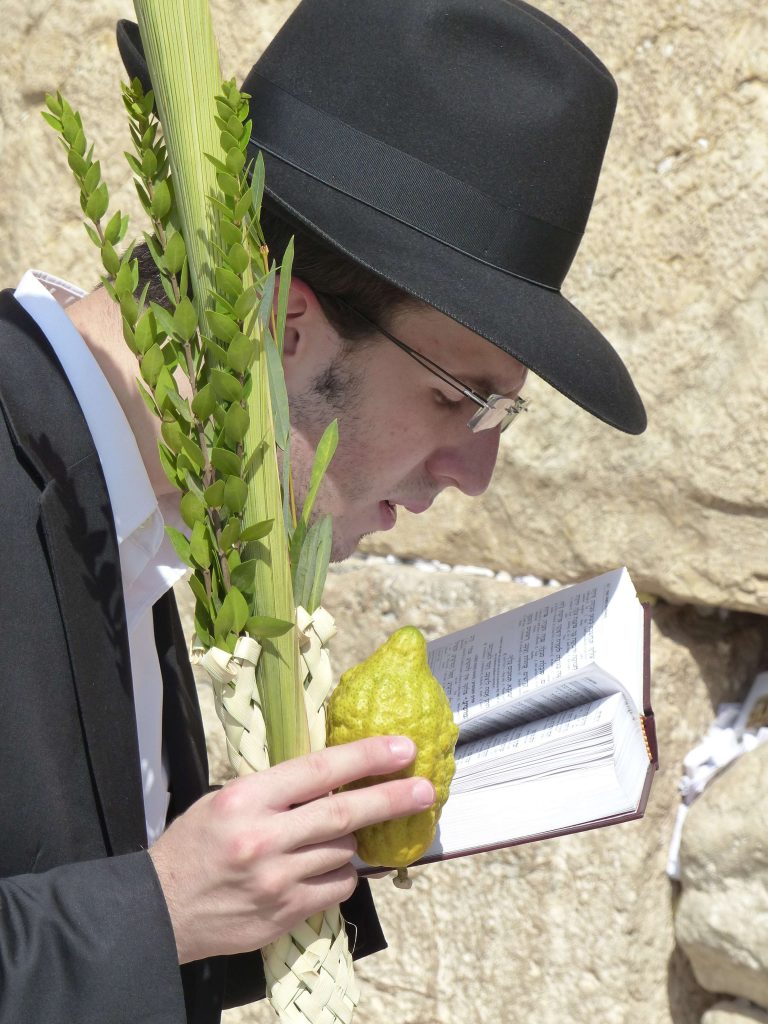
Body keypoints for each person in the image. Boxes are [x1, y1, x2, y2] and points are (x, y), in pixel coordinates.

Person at [0, 1, 646, 1022]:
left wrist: (274, 863)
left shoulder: (153, 520)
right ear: (283, 319)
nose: (476, 474)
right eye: (458, 396)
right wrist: (161, 907)